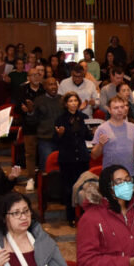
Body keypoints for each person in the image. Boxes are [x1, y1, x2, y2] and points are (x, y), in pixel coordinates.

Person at [91, 96, 134, 177]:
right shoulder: (102, 129)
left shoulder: (132, 127)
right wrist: (100, 144)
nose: (120, 110)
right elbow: (94, 156)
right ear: (109, 110)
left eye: (122, 107)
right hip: (110, 176)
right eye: (116, 108)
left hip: (129, 174)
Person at [54, 92, 92, 225]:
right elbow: (55, 141)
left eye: (76, 100)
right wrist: (60, 134)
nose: (74, 103)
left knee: (84, 187)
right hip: (67, 158)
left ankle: (84, 216)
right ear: (65, 104)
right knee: (69, 188)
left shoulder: (84, 117)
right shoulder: (60, 119)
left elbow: (88, 137)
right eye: (70, 101)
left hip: (82, 157)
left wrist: (93, 131)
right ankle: (71, 217)